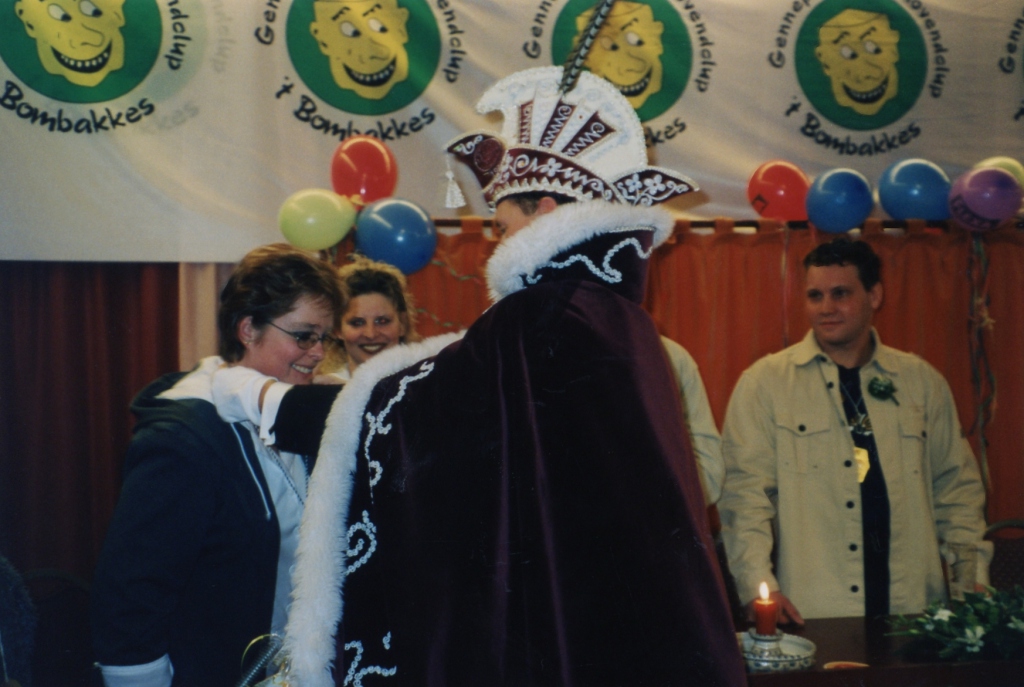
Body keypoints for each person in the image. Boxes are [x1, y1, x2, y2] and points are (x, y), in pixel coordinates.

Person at [213, 65, 745, 687]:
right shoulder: (615, 318)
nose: (497, 243)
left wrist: (266, 399)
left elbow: (417, 419)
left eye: (502, 224)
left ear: (546, 212)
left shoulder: (544, 316)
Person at [90, 243, 343, 687]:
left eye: (325, 337)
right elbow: (133, 590)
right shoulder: (184, 438)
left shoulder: (289, 408)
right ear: (248, 329)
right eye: (304, 335)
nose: (319, 351)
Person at [718, 237, 991, 624]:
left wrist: (970, 584)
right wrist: (756, 586)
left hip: (914, 608)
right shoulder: (765, 384)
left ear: (874, 295)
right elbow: (744, 499)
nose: (826, 308)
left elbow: (957, 492)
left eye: (840, 293)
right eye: (815, 296)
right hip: (813, 611)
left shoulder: (921, 382)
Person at [316, 256, 420, 384]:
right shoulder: (324, 389)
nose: (370, 334)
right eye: (357, 323)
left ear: (402, 324)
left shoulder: (428, 386)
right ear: (337, 330)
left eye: (382, 321)